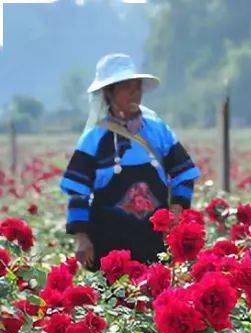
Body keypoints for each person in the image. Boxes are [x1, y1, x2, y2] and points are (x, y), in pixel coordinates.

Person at [60, 54, 200, 270]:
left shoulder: (158, 130)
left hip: (156, 243)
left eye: (137, 86)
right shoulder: (94, 139)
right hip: (109, 246)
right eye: (126, 87)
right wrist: (81, 236)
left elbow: (184, 174)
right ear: (108, 93)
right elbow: (78, 192)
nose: (134, 92)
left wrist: (176, 213)